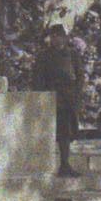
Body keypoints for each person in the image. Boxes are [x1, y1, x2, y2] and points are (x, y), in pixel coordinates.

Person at [31, 24, 84, 175]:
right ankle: (42, 166)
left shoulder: (72, 55)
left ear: (65, 38)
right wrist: (41, 97)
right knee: (48, 132)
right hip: (51, 97)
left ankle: (65, 164)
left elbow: (80, 75)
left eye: (59, 36)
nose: (55, 39)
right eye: (53, 36)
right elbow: (38, 78)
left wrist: (76, 93)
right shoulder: (44, 56)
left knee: (66, 132)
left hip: (68, 97)